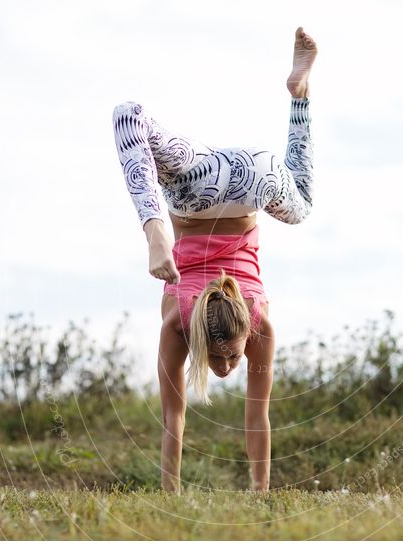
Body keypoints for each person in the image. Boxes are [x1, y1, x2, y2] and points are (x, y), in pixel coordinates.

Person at [111, 27, 317, 493]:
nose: (225, 367)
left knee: (129, 118)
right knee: (300, 204)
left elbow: (176, 415)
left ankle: (155, 227)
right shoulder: (251, 325)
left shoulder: (188, 324)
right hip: (242, 178)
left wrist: (254, 497)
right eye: (224, 358)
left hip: (220, 182)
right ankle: (299, 96)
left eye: (225, 356)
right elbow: (247, 416)